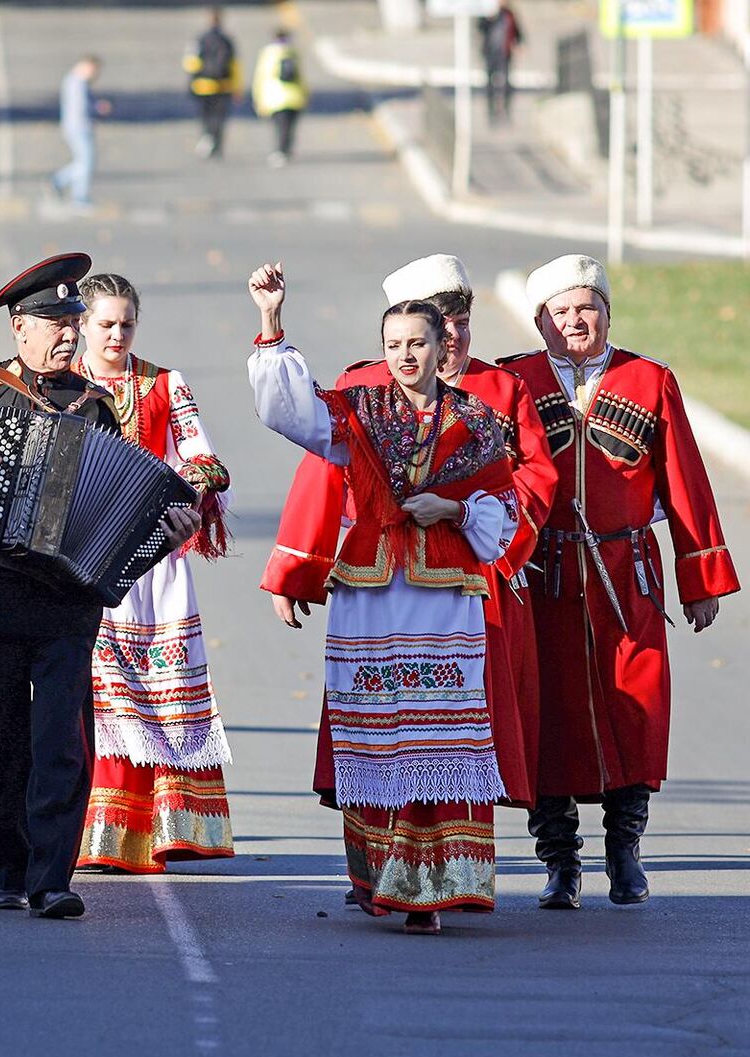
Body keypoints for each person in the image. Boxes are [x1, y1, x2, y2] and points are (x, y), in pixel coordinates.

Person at [0, 253, 200, 919]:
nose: (67, 332)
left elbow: (123, 508)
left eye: (72, 319)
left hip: (66, 605)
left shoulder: (95, 408)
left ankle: (52, 880)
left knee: (62, 739)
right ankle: (6, 867)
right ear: (19, 329)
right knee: (5, 740)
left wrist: (167, 531)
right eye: (52, 320)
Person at [261, 256, 557, 877]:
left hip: (446, 590)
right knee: (373, 723)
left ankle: (446, 876)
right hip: (370, 588)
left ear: (440, 343)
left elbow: (504, 509)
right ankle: (376, 873)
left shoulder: (476, 417)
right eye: (393, 344)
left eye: (417, 343)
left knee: (441, 729)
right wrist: (271, 321)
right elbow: (294, 419)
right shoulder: (359, 407)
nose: (404, 356)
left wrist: (449, 506)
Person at [501, 255, 737, 909]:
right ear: (540, 319)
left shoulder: (649, 379)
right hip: (542, 577)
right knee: (546, 717)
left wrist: (701, 577)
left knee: (636, 710)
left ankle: (625, 852)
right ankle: (560, 864)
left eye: (588, 307)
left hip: (625, 575)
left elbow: (685, 481)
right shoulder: (513, 380)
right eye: (562, 310)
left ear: (607, 312)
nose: (576, 320)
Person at [67, 273, 235, 874]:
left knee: (158, 702)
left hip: (154, 565)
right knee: (97, 696)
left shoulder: (165, 383)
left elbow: (207, 461)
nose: (117, 334)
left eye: (127, 324)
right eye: (105, 324)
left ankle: (168, 829)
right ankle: (93, 833)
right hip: (84, 561)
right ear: (82, 325)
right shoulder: (60, 386)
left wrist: (179, 496)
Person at [50, 55, 109, 210]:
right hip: (79, 127)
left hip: (77, 127)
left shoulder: (77, 81)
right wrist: (95, 110)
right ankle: (78, 196)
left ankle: (61, 182)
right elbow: (81, 107)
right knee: (86, 163)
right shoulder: (76, 83)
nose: (95, 75)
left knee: (84, 162)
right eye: (94, 70)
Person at [184, 7, 242, 160]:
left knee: (205, 116)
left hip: (203, 85)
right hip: (224, 85)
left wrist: (191, 81)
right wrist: (237, 87)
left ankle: (207, 138)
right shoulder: (227, 41)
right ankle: (217, 144)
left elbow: (191, 62)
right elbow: (234, 65)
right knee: (219, 118)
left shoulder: (200, 39)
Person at [252, 29, 307, 167]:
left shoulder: (268, 54)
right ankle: (286, 149)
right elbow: (301, 77)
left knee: (279, 126)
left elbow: (261, 77)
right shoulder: (293, 52)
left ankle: (281, 151)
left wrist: (258, 98)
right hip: (294, 97)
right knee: (289, 126)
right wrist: (305, 95)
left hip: (275, 97)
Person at [479, 4, 521, 126]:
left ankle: (507, 110)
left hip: (505, 53)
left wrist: (519, 44)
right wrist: (489, 18)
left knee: (506, 83)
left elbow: (517, 31)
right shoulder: (488, 13)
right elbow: (480, 28)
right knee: (490, 84)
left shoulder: (509, 14)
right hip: (490, 53)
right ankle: (491, 111)